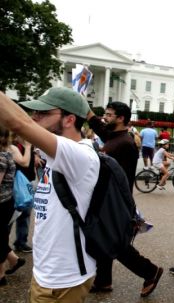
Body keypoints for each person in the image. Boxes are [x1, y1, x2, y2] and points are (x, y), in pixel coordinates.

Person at [0, 87, 100, 302]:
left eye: (43, 113)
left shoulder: (79, 155)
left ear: (69, 119)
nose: (34, 117)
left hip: (63, 280)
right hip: (47, 273)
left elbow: (19, 123)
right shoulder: (58, 155)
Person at [87, 102, 163, 297]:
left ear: (121, 118)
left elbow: (116, 177)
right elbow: (102, 130)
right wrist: (87, 113)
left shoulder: (125, 143)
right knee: (103, 237)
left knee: (116, 244)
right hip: (108, 199)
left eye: (109, 115)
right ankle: (103, 280)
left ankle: (151, 271)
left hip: (116, 202)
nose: (105, 117)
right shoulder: (115, 137)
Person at [0, 126, 26, 287]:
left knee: (0, 237)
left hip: (2, 203)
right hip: (5, 202)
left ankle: (1, 275)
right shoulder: (6, 154)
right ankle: (14, 260)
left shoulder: (2, 157)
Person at [9, 135, 34, 252]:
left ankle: (21, 242)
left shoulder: (28, 145)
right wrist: (28, 147)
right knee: (10, 216)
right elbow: (24, 162)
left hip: (27, 183)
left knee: (25, 214)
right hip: (15, 186)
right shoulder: (12, 146)